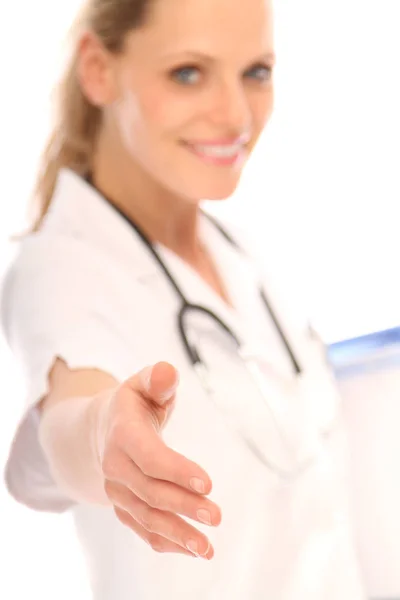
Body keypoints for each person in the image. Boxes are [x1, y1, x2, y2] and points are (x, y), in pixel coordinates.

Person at [0, 0, 366, 598]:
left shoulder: (242, 254)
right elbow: (67, 414)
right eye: (188, 73)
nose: (235, 114)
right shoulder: (65, 264)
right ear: (98, 68)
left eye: (256, 71)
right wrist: (100, 434)